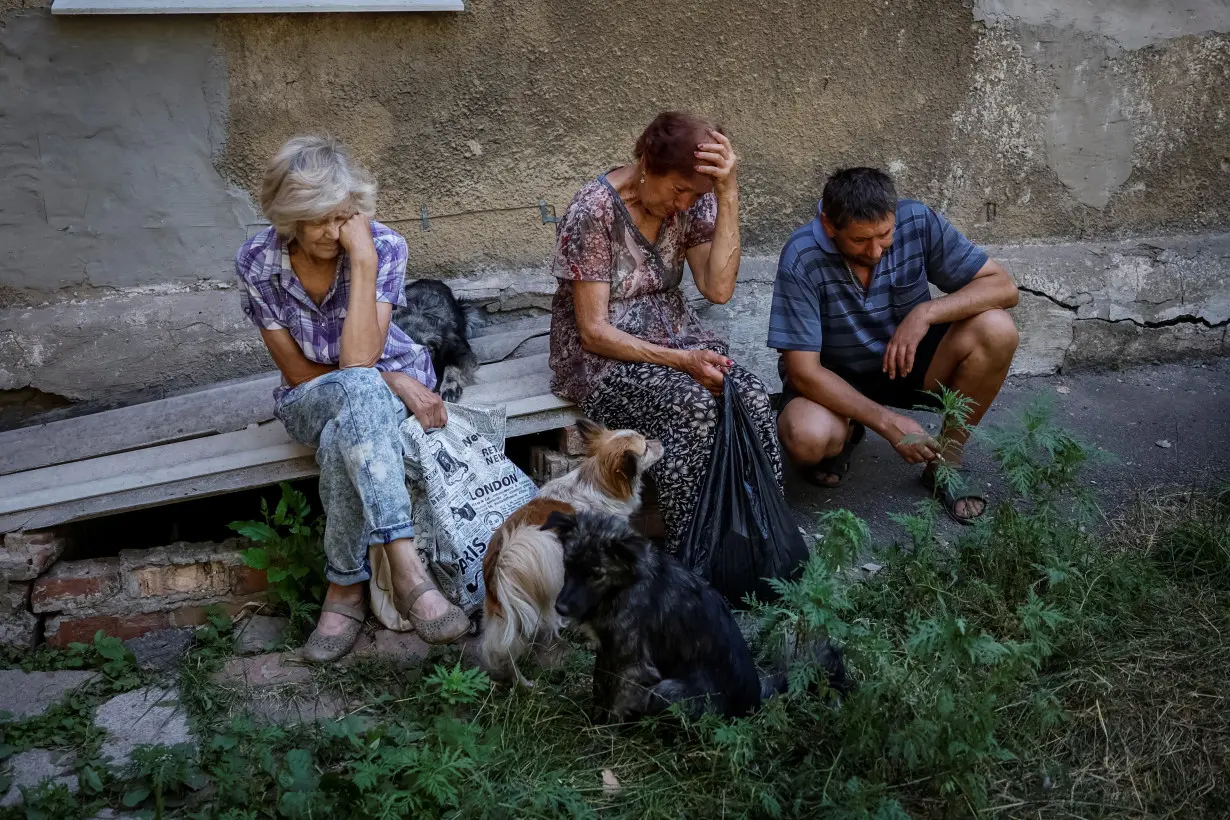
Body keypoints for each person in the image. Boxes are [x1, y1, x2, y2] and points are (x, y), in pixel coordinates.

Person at [235, 135, 470, 662]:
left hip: (369, 394)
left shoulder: (382, 247)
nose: (331, 232)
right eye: (316, 220)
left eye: (343, 217)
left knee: (350, 423)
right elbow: (297, 371)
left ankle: (344, 589)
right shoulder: (257, 261)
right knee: (360, 389)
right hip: (310, 398)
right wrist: (395, 381)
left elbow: (361, 359)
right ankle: (408, 570)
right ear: (288, 217)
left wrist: (362, 263)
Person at [549, 111, 782, 555]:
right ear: (646, 164)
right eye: (678, 190)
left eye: (695, 195)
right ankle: (690, 559)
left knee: (749, 395)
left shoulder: (694, 201)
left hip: (677, 339)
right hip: (600, 361)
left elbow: (718, 288)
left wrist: (728, 195)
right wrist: (682, 362)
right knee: (693, 407)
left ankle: (761, 546)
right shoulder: (594, 210)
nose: (683, 204)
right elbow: (594, 332)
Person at [768, 167, 1019, 523]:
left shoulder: (917, 220)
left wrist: (926, 312)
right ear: (828, 225)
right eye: (859, 241)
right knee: (804, 438)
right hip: (835, 379)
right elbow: (803, 371)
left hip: (907, 365)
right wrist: (887, 423)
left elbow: (1003, 288)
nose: (875, 250)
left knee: (997, 329)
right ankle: (850, 427)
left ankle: (945, 462)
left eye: (885, 235)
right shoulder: (801, 256)